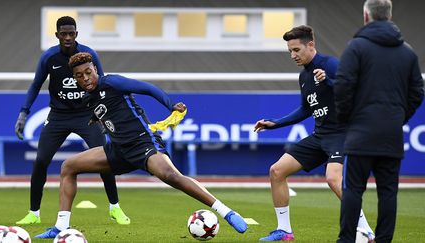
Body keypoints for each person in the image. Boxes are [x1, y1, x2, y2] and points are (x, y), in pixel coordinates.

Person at [35, 52, 248, 238]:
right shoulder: (88, 98)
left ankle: (226, 212)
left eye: (88, 72)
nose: (85, 78)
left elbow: (147, 88)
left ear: (95, 70)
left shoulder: (112, 82)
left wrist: (170, 104)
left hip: (143, 144)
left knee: (171, 177)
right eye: (79, 76)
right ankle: (61, 227)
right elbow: (104, 112)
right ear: (75, 79)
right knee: (68, 167)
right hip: (118, 150)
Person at [254, 25, 374, 241]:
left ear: (311, 45)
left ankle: (365, 230)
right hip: (320, 136)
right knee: (277, 171)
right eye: (290, 51)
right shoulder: (304, 77)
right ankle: (284, 231)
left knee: (333, 179)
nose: (293, 55)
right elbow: (306, 109)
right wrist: (275, 123)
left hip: (342, 134)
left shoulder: (331, 65)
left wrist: (328, 81)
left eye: (297, 50)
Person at [14, 16, 130, 225]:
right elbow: (35, 85)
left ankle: (115, 207)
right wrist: (24, 112)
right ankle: (34, 213)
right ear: (57, 35)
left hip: (87, 116)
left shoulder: (88, 55)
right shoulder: (49, 57)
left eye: (71, 33)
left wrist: (104, 116)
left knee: (106, 159)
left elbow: (101, 85)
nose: (67, 37)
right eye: (63, 34)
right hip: (58, 116)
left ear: (76, 34)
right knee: (41, 161)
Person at [334, 0, 424, 242]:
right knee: (388, 193)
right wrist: (398, 118)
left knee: (353, 190)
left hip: (360, 133)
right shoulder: (407, 51)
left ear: (366, 16)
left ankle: (346, 240)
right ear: (390, 15)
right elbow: (418, 92)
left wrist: (347, 118)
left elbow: (342, 86)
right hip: (391, 134)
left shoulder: (356, 47)